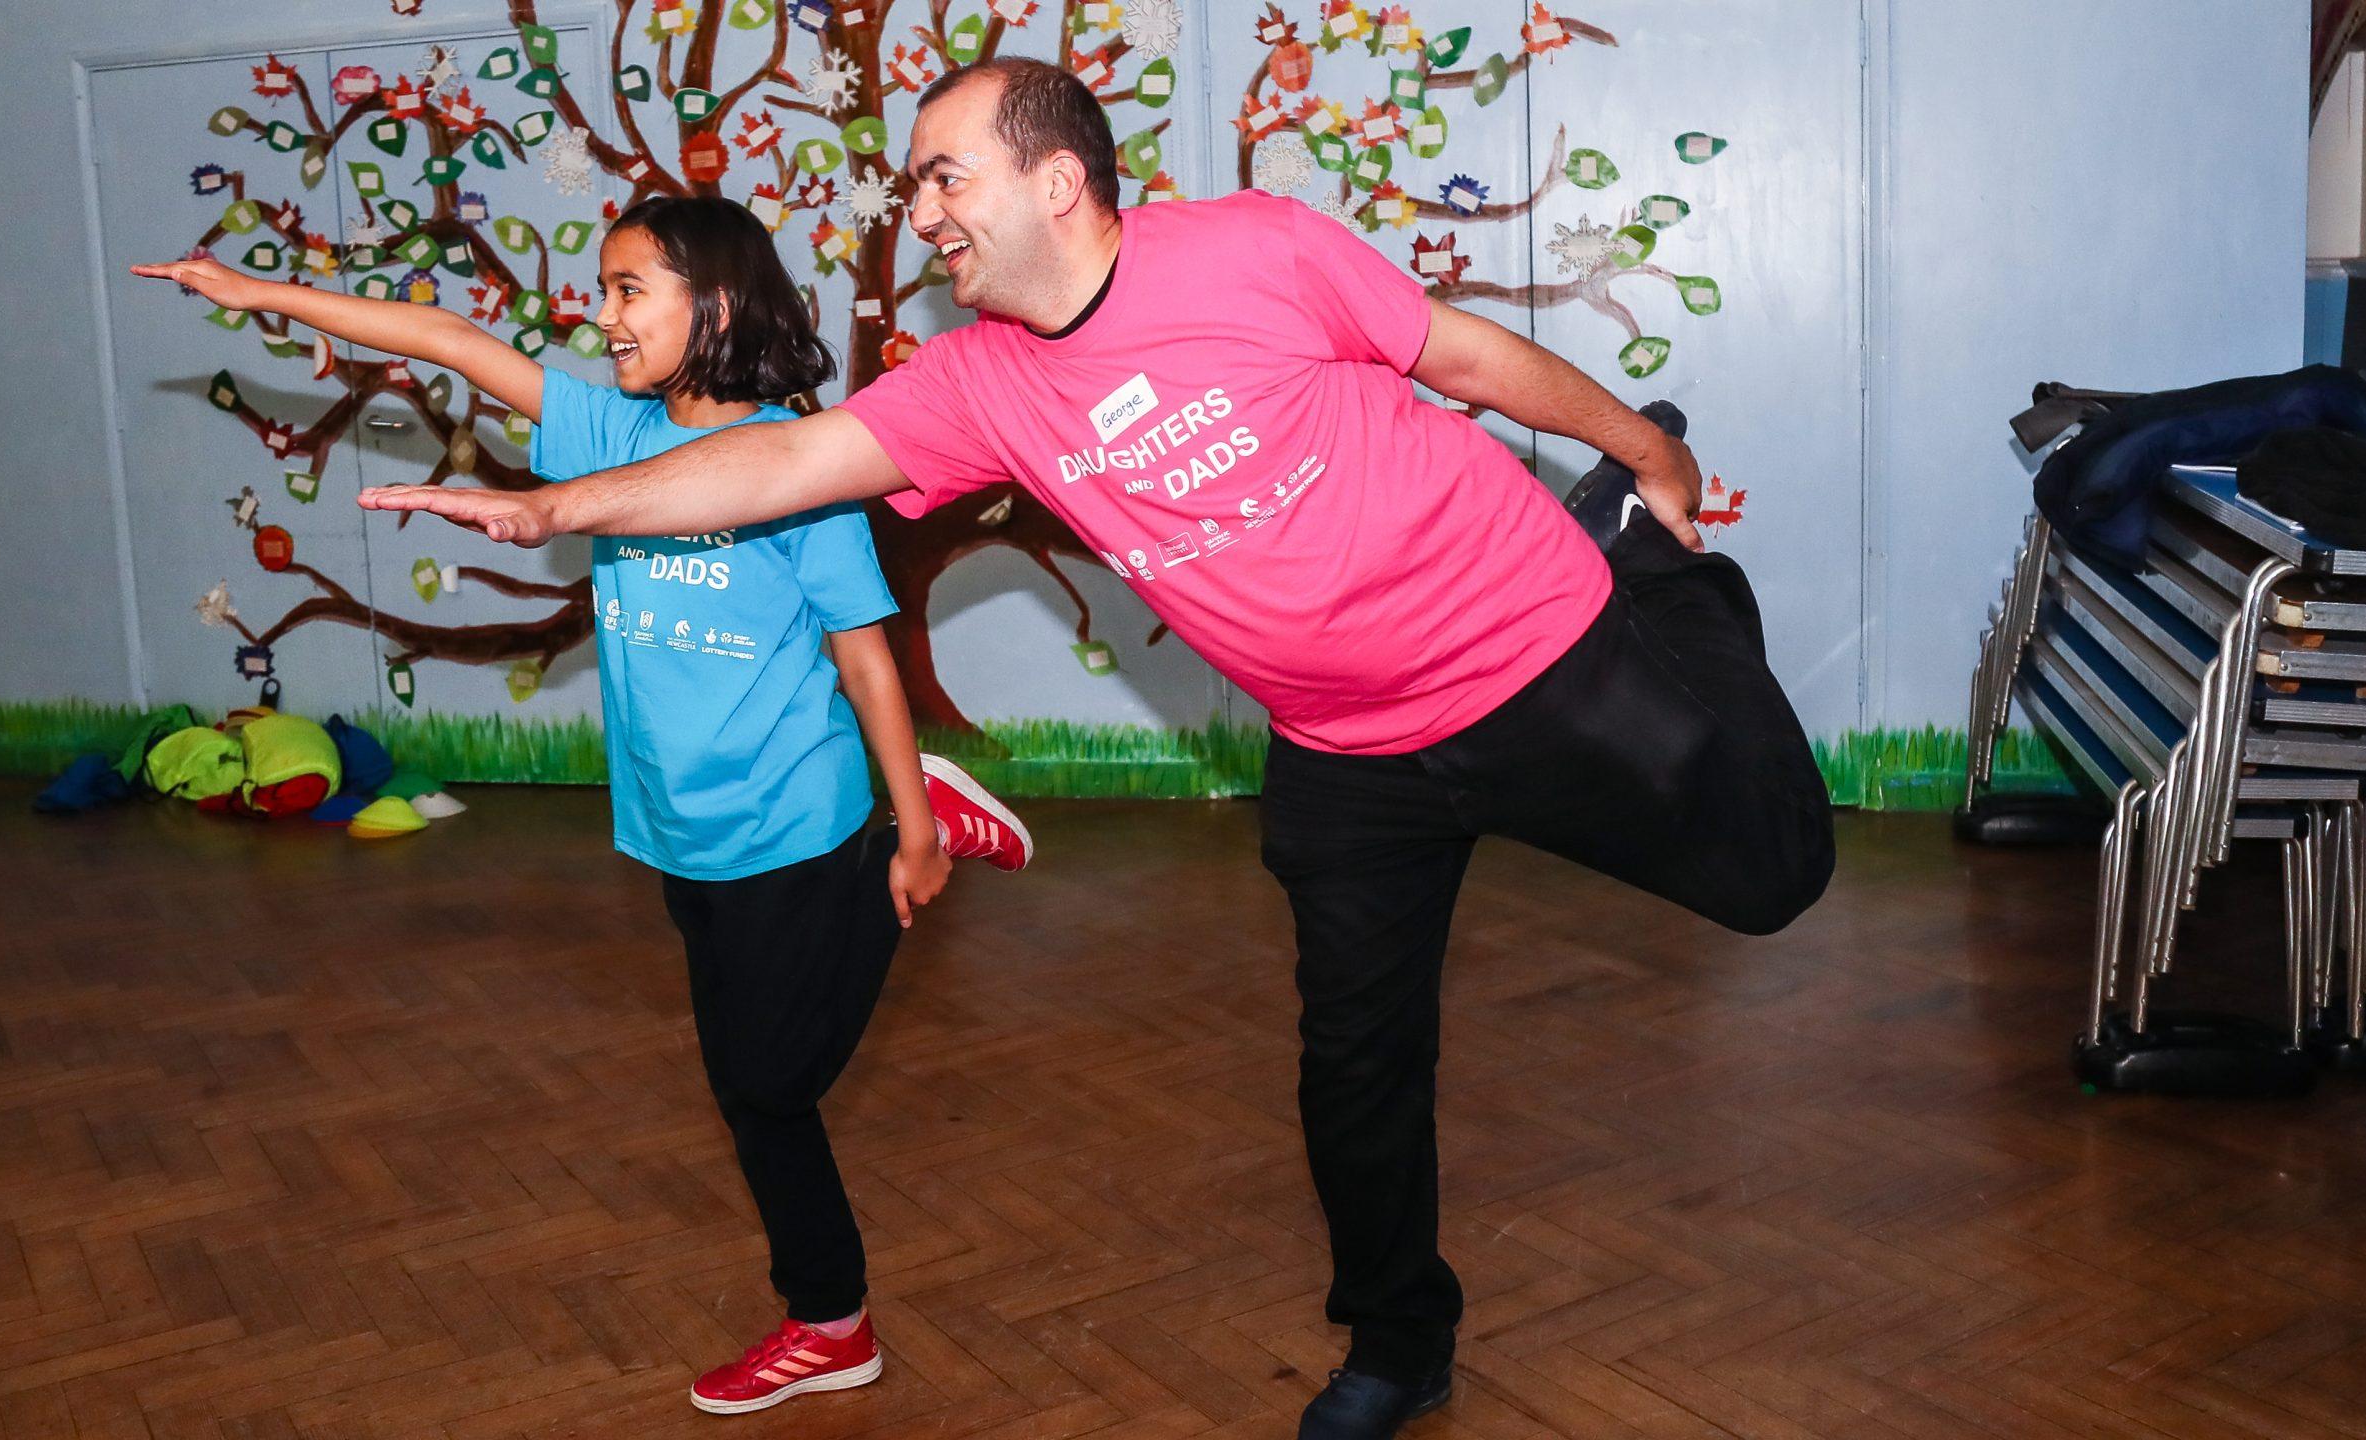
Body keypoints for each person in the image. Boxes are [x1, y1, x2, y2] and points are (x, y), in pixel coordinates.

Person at [360, 62, 1834, 1440]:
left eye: (943, 177)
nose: (917, 210)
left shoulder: (1251, 250)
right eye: (912, 185)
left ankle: (1663, 577)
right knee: (1355, 1063)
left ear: (1057, 181)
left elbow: (1469, 357)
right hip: (1346, 751)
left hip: (1531, 650)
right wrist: (568, 508)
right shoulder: (978, 383)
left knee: (1777, 879)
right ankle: (1396, 1344)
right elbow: (788, 460)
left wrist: (1645, 459)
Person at [137, 194, 1038, 1416]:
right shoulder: (605, 430)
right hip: (676, 825)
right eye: (600, 288)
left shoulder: (798, 467)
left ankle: (908, 810)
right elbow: (443, 338)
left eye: (628, 291)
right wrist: (260, 294)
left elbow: (865, 654)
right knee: (747, 1089)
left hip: (799, 818)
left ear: (711, 303)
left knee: (770, 1085)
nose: (597, 314)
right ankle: (834, 1323)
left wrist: (917, 835)